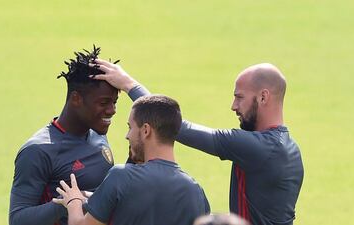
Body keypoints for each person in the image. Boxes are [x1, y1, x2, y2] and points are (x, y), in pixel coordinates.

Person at [92, 59, 304, 225]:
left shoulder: (258, 148)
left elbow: (179, 128)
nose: (233, 106)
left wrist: (129, 84)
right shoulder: (290, 149)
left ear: (263, 97)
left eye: (239, 97)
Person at [53, 95, 211, 225]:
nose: (127, 135)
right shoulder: (196, 191)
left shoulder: (121, 176)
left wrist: (73, 201)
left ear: (146, 130)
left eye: (130, 127)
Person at [9, 47, 119, 225]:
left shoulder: (97, 134)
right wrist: (68, 202)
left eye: (114, 102)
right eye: (104, 102)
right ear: (76, 99)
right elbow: (18, 219)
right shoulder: (38, 151)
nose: (112, 110)